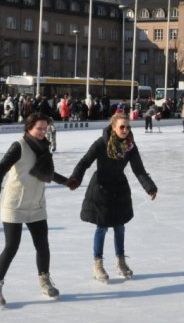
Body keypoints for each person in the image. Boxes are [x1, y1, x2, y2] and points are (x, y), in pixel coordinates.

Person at [0, 113, 74, 306]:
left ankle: (44, 281)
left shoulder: (44, 148)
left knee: (42, 245)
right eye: (39, 128)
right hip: (15, 204)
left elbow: (47, 173)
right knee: (11, 247)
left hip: (37, 204)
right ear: (29, 128)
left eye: (45, 128)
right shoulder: (20, 146)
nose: (43, 132)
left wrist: (67, 181)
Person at [67, 114, 158, 282]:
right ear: (114, 127)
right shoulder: (101, 143)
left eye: (128, 127)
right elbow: (84, 162)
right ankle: (98, 264)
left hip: (119, 189)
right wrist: (75, 179)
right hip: (101, 189)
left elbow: (138, 169)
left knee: (120, 227)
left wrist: (149, 187)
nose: (125, 130)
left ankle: (120, 262)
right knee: (101, 228)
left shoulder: (130, 145)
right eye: (122, 127)